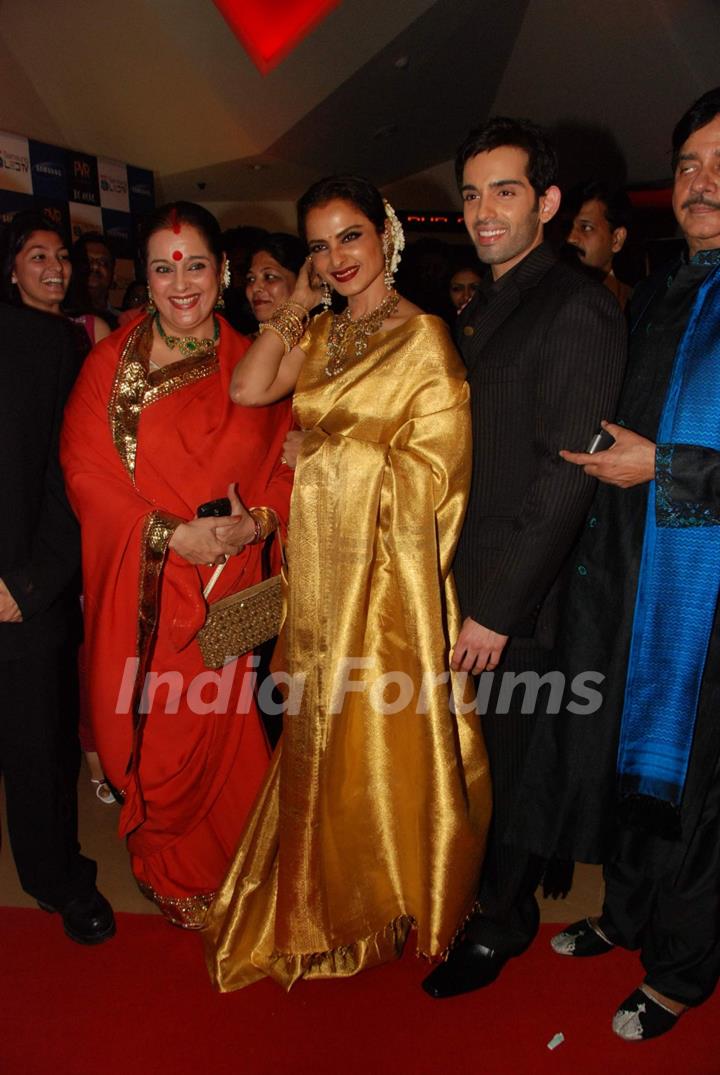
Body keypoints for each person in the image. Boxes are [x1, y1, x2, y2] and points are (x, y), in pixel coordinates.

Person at [202, 174, 491, 992]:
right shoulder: (322, 333)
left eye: (351, 237)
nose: (338, 257)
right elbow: (250, 386)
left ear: (386, 233)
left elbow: (437, 473)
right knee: (316, 734)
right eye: (320, 245)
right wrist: (298, 298)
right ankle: (319, 893)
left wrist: (327, 459)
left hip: (387, 588)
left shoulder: (426, 337)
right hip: (320, 575)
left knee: (378, 736)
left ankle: (381, 897)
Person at [520, 87, 720, 1042]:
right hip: (639, 570)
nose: (701, 183)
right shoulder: (671, 287)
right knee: (632, 756)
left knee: (699, 779)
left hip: (709, 592)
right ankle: (631, 912)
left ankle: (682, 966)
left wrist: (664, 466)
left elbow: (664, 450)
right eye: (687, 165)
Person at [422, 117, 627, 999]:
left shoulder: (576, 304)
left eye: (505, 190)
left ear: (546, 201)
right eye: (471, 194)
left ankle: (500, 923)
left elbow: (566, 475)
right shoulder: (489, 301)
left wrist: (498, 608)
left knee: (507, 769)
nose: (483, 211)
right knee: (474, 761)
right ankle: (478, 895)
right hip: (465, 575)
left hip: (516, 601)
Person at [61, 201, 294, 928]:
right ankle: (168, 867)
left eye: (196, 264)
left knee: (224, 736)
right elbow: (85, 473)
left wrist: (256, 522)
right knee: (154, 741)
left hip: (229, 590)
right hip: (147, 593)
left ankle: (234, 863)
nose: (181, 282)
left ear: (221, 272)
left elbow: (290, 466)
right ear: (148, 277)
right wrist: (167, 536)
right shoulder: (109, 364)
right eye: (164, 267)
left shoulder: (254, 364)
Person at [0, 300, 115, 944]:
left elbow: (75, 472)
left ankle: (58, 879)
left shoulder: (45, 343)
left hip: (17, 597)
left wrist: (33, 581)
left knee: (39, 756)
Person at [0, 209, 113, 802]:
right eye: (37, 255)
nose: (55, 267)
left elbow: (71, 469)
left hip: (44, 566)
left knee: (41, 733)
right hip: (36, 567)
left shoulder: (73, 338)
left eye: (60, 255)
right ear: (11, 269)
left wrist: (36, 579)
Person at [565, 180, 633, 310]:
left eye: (586, 227)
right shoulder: (544, 299)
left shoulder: (639, 306)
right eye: (566, 227)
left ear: (617, 239)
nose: (570, 238)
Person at [245, 233, 306, 329]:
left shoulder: (326, 339)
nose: (255, 288)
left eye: (269, 277)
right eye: (251, 279)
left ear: (301, 281)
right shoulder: (242, 342)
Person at [67, 232, 119, 329]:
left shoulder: (125, 322)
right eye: (87, 261)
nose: (94, 266)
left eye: (103, 262)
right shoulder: (62, 320)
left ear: (113, 275)